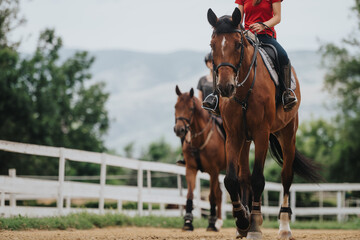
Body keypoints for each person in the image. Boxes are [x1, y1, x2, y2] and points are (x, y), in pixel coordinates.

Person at [203, 0, 297, 112]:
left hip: (266, 35)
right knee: (222, 58)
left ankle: (286, 93)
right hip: (247, 36)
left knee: (282, 56)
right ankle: (215, 97)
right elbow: (239, 19)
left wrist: (263, 25)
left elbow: (277, 17)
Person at [176, 53, 219, 166]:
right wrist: (203, 110)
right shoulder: (202, 80)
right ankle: (185, 156)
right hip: (205, 111)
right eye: (209, 62)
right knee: (186, 128)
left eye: (212, 61)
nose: (211, 64)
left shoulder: (220, 78)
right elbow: (199, 97)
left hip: (218, 111)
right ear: (206, 64)